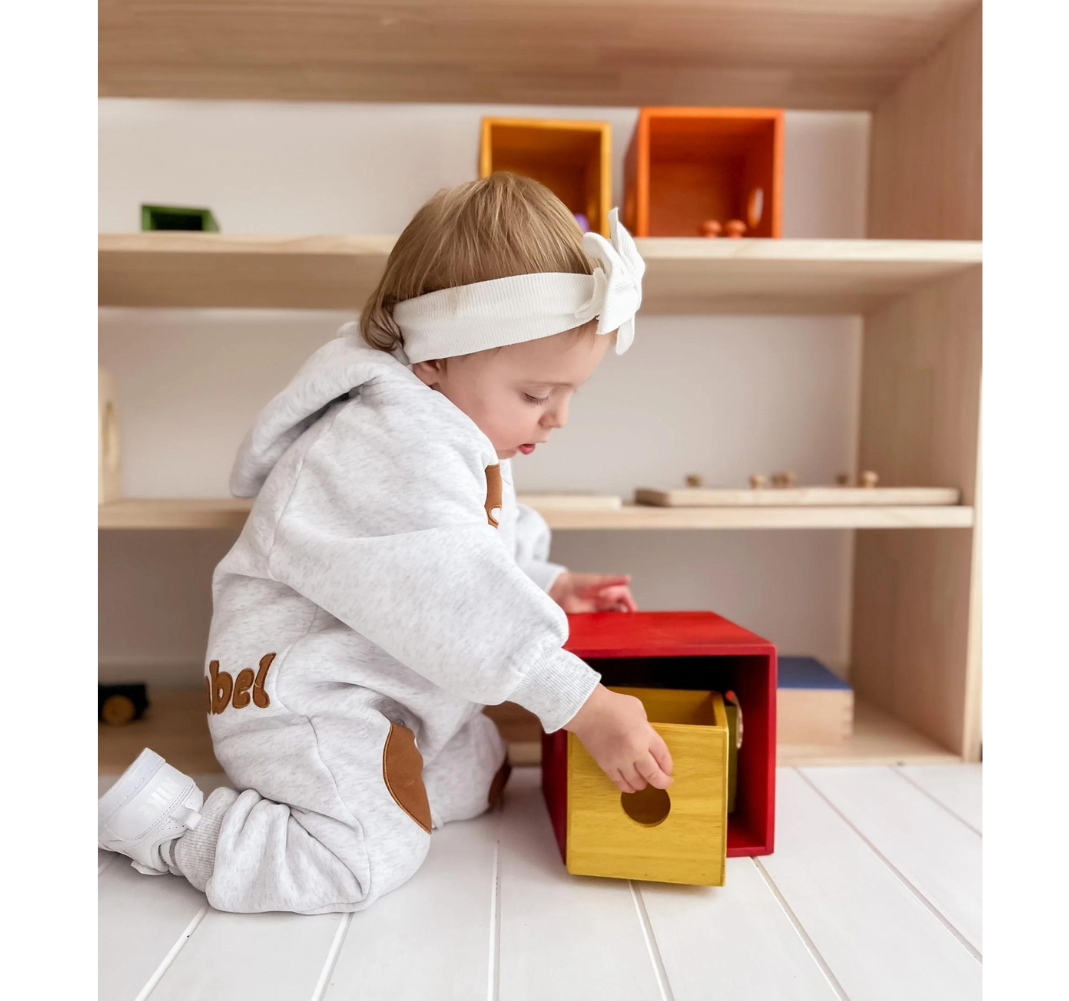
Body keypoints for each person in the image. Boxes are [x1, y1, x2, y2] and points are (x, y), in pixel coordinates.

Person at [98, 173, 673, 915]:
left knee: (479, 773)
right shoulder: (384, 439)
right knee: (363, 858)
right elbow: (449, 582)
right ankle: (174, 824)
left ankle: (388, 780)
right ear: (432, 360)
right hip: (307, 696)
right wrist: (582, 702)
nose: (557, 418)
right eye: (536, 394)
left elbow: (471, 550)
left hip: (391, 686)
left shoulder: (458, 430)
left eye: (570, 394)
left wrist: (547, 580)